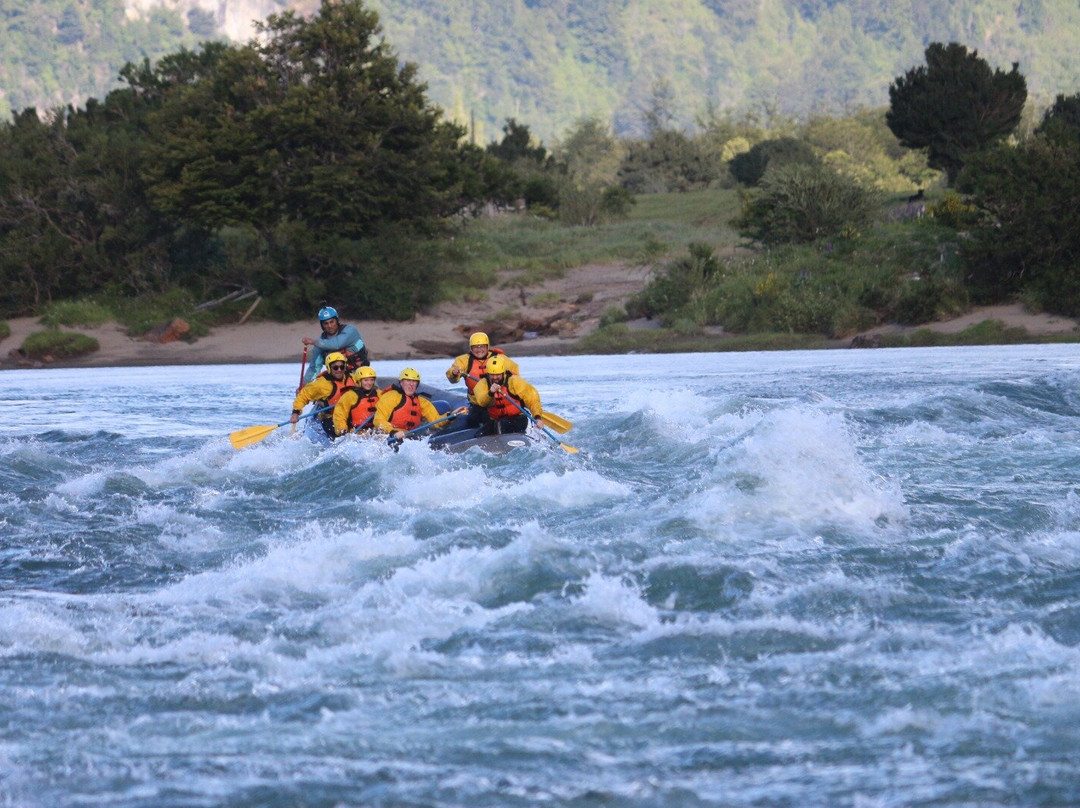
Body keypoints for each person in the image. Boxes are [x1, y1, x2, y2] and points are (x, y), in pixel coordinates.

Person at [445, 331, 520, 427]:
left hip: (499, 402)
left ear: (487, 347)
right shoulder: (463, 361)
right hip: (478, 404)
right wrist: (454, 373)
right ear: (471, 348)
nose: (479, 350)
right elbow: (452, 379)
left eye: (482, 346)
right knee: (474, 420)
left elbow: (515, 374)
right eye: (476, 347)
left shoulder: (500, 358)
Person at [374, 368, 453, 443]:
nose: (411, 384)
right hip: (389, 435)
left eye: (414, 381)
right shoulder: (390, 397)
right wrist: (393, 432)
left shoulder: (421, 401)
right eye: (408, 381)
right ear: (401, 382)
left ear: (417, 384)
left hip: (408, 437)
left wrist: (450, 416)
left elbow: (436, 421)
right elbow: (378, 420)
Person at [471, 354, 542, 435]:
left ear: (503, 373)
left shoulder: (515, 382)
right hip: (495, 421)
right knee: (480, 434)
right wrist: (490, 393)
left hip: (517, 419)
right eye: (492, 375)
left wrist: (537, 417)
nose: (495, 378)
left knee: (501, 426)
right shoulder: (482, 384)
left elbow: (533, 399)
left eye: (498, 374)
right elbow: (482, 402)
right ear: (488, 374)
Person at [291, 351, 356, 439]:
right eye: (335, 368)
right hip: (330, 419)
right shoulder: (321, 385)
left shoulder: (353, 378)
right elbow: (303, 396)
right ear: (329, 368)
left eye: (342, 367)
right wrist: (295, 413)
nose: (339, 370)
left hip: (350, 416)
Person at [302, 305, 369, 384]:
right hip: (338, 379)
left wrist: (313, 342)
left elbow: (336, 344)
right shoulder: (320, 343)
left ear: (337, 320)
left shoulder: (350, 331)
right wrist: (305, 387)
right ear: (322, 325)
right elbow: (314, 368)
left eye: (332, 322)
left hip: (361, 376)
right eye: (326, 323)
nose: (329, 326)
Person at [332, 366, 383, 437]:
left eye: (371, 380)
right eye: (366, 380)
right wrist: (342, 430)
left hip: (375, 430)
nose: (369, 383)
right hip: (356, 432)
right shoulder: (350, 396)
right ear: (359, 381)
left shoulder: (379, 394)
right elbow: (339, 415)